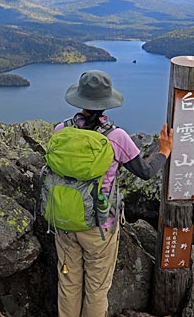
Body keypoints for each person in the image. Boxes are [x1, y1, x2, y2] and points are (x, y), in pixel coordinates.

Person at [54, 70, 173, 317]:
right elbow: (146, 172)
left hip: (64, 219)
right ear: (106, 103)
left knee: (68, 282)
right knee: (96, 290)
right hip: (99, 225)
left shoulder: (60, 130)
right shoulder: (116, 137)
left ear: (80, 101)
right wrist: (164, 151)